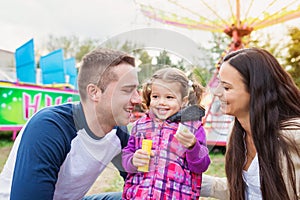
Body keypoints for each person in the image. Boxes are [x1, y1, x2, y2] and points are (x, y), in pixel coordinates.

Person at [0, 48, 141, 200]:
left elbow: (140, 183)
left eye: (137, 90)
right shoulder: (49, 128)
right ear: (94, 92)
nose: (138, 99)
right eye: (127, 90)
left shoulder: (118, 132)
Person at [201, 47, 300, 200]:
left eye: (226, 87)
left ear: (256, 91)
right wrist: (183, 176)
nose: (217, 92)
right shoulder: (237, 131)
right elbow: (246, 189)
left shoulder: (293, 135)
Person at [122, 67, 211, 199]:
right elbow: (127, 154)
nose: (161, 102)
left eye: (169, 97)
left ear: (184, 101)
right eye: (156, 96)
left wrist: (193, 146)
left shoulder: (192, 128)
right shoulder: (140, 125)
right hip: (139, 195)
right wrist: (132, 160)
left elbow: (202, 166)